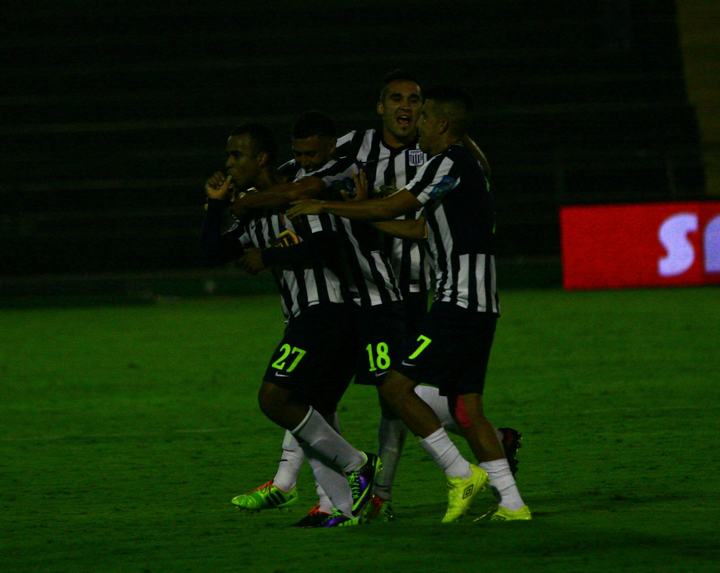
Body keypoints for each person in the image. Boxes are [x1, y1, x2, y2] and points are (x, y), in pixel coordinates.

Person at [287, 86, 532, 522]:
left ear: (441, 124)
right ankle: (512, 505)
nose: (417, 124)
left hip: (458, 302)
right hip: (480, 303)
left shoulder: (449, 162)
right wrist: (361, 215)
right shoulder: (466, 167)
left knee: (395, 387)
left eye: (424, 118)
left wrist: (326, 206)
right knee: (467, 409)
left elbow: (395, 205)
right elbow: (418, 228)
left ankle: (460, 473)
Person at [200, 122, 379, 527]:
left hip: (329, 311)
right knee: (313, 412)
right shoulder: (251, 209)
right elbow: (211, 253)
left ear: (261, 158)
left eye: (236, 155)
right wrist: (214, 205)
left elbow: (326, 244)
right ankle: (341, 508)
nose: (229, 163)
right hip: (310, 316)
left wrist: (268, 256)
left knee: (274, 399)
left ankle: (358, 464)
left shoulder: (295, 195)